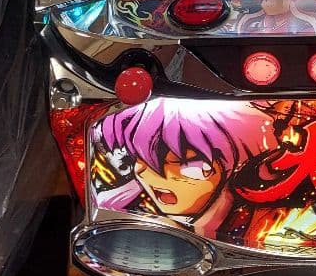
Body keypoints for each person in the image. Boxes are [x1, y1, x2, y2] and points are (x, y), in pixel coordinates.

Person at [93, 98, 274, 239]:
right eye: (137, 158)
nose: (143, 172)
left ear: (230, 162)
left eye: (181, 160)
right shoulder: (119, 211)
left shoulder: (262, 226)